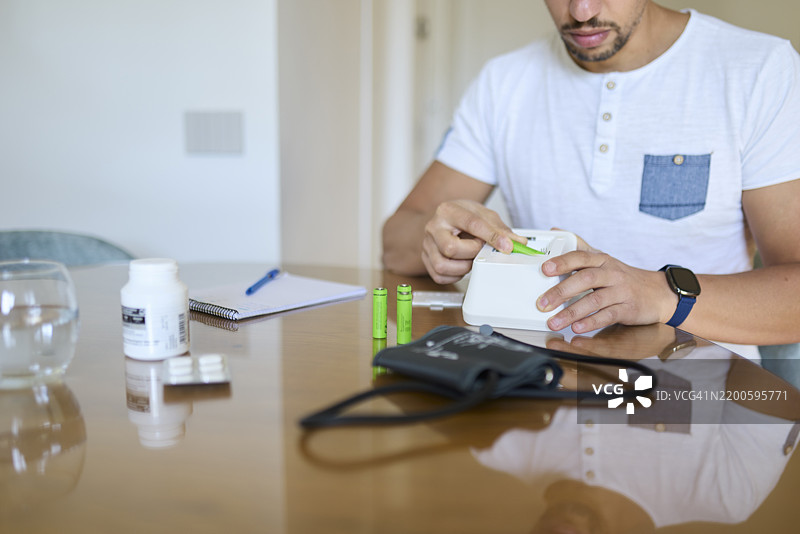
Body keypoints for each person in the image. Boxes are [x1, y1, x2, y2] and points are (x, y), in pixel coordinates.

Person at [382, 0, 800, 350]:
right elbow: (396, 239)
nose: (581, 12)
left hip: (695, 406)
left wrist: (660, 295)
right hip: (538, 389)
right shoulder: (503, 83)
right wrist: (439, 241)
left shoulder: (760, 71)